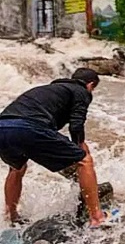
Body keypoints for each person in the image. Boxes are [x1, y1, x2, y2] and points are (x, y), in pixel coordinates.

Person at [0, 68, 107, 227]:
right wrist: (81, 147)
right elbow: (76, 125)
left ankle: (12, 217)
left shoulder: (46, 89)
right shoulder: (81, 91)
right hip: (29, 127)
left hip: (2, 127)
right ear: (90, 85)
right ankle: (97, 217)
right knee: (84, 160)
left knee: (16, 169)